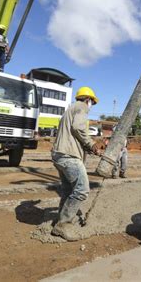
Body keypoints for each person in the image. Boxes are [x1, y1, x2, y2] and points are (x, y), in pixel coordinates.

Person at [50, 86, 101, 241]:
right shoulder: (82, 107)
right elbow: (78, 127)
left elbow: (72, 132)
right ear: (88, 99)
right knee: (82, 190)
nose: (91, 105)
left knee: (67, 191)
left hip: (59, 154)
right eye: (92, 101)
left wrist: (87, 147)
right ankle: (63, 225)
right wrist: (91, 143)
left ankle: (59, 219)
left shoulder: (70, 109)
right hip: (69, 156)